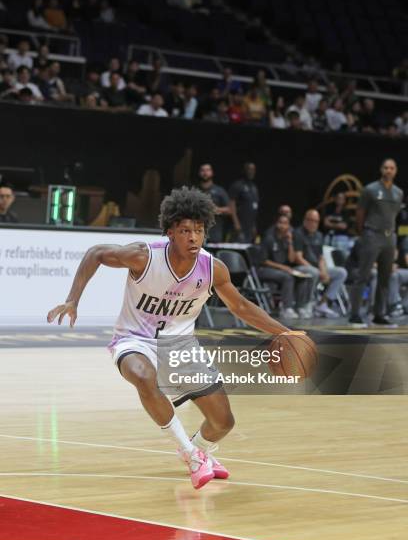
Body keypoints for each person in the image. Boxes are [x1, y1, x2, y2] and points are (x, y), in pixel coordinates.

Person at [47, 187, 304, 489]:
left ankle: (200, 452)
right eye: (185, 231)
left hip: (181, 348)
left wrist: (285, 332)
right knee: (144, 376)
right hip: (135, 341)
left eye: (199, 230)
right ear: (170, 232)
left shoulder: (212, 269)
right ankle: (190, 454)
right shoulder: (144, 256)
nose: (193, 237)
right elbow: (96, 254)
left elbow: (241, 307)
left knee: (223, 422)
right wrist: (73, 299)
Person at [349, 159, 404, 327]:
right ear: (381, 170)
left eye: (392, 168)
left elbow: (394, 217)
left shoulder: (398, 192)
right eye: (386, 167)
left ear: (395, 171)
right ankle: (355, 314)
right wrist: (363, 232)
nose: (388, 170)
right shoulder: (370, 189)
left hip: (390, 238)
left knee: (385, 278)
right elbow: (360, 214)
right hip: (372, 235)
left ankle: (379, 314)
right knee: (363, 275)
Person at [294, 209, 348, 318]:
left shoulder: (319, 235)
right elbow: (298, 258)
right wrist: (318, 271)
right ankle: (306, 304)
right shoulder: (298, 233)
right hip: (301, 267)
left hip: (316, 268)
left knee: (341, 272)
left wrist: (323, 270)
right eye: (311, 220)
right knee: (313, 272)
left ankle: (323, 303)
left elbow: (321, 257)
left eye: (316, 221)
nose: (313, 224)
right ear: (305, 220)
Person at [259, 214, 312, 319]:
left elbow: (292, 259)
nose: (283, 226)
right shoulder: (269, 238)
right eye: (281, 223)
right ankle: (286, 308)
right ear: (277, 224)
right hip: (265, 270)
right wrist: (282, 267)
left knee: (302, 277)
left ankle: (300, 307)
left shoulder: (286, 240)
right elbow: (264, 261)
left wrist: (291, 243)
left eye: (286, 224)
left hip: (281, 271)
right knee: (288, 277)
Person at [197, 163, 230, 242]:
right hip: (196, 234)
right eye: (202, 170)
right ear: (199, 173)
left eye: (207, 170)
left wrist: (215, 209)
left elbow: (229, 210)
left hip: (215, 234)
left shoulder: (219, 191)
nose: (205, 173)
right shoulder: (194, 191)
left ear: (212, 172)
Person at [229, 162, 259, 243]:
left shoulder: (254, 187)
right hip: (239, 225)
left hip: (249, 227)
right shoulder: (238, 185)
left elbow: (253, 208)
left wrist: (254, 226)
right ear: (244, 170)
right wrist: (236, 223)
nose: (251, 171)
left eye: (253, 169)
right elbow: (231, 204)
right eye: (249, 169)